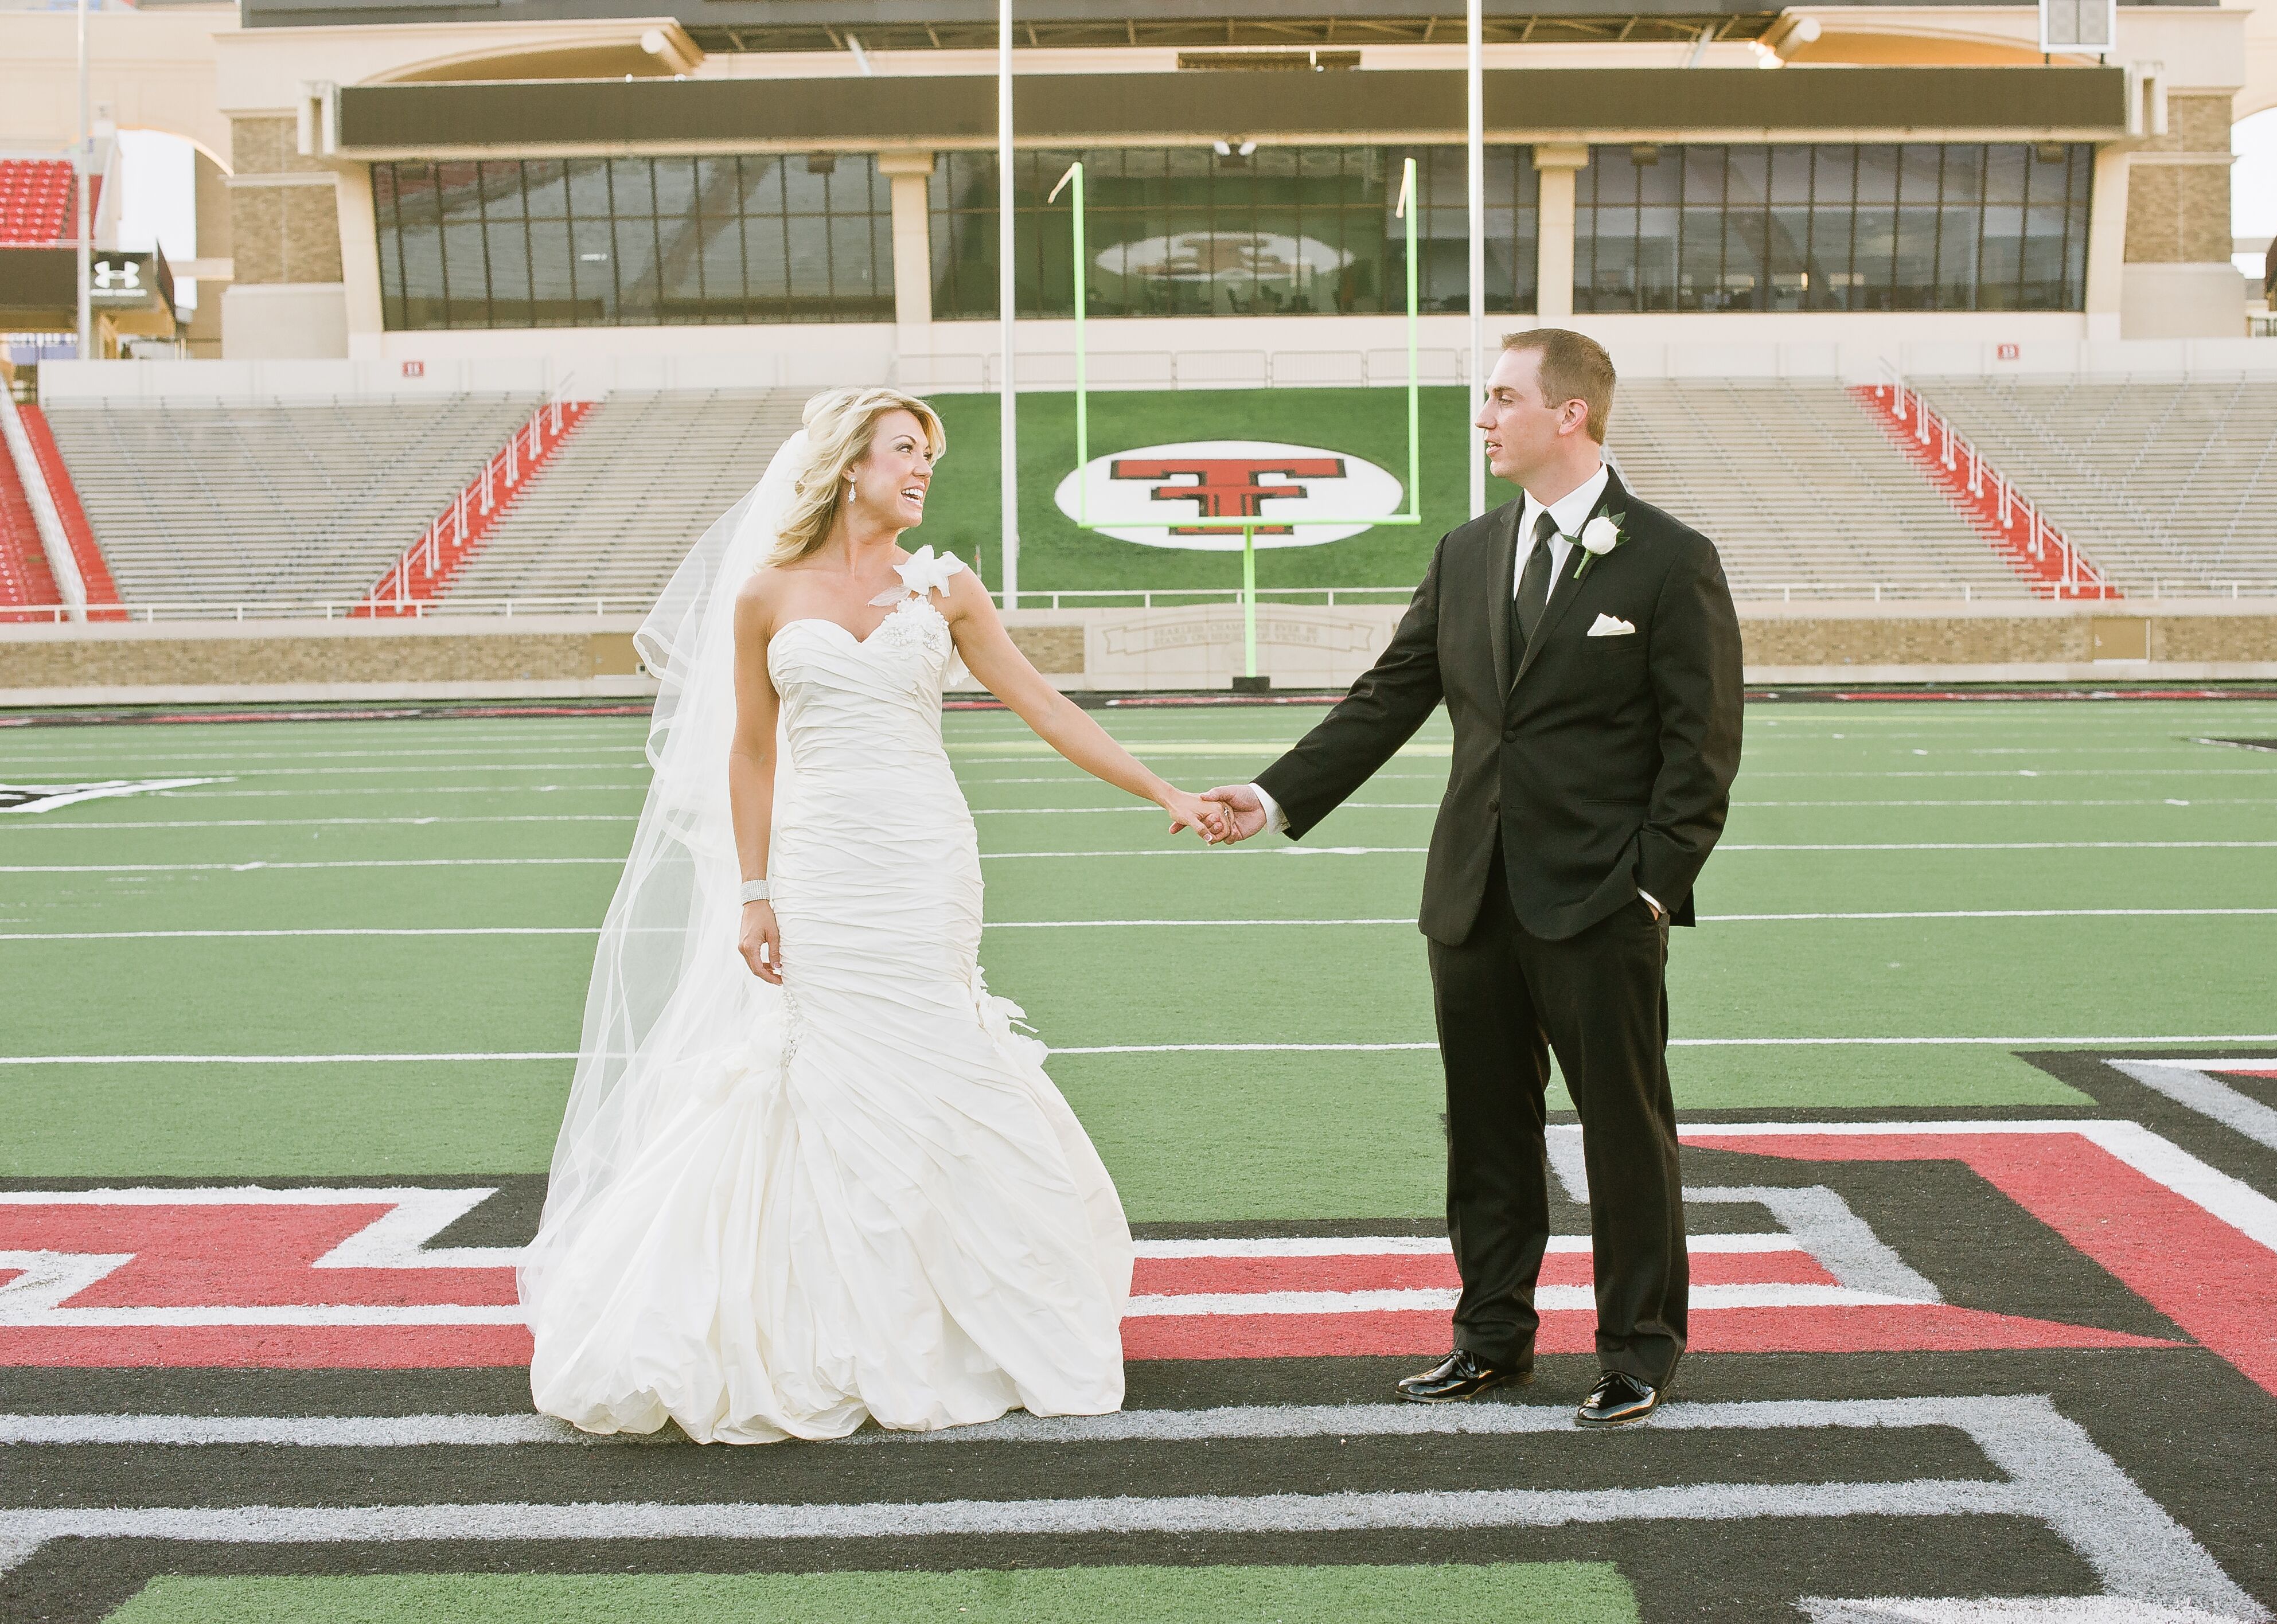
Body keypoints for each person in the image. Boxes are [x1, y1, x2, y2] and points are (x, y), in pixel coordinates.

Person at [521, 387, 1231, 1443]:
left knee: (939, 1050)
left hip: (924, 858)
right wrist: (755, 890)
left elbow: (1043, 704)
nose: (922, 471)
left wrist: (1166, 791)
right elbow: (751, 751)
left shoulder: (945, 588)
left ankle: (975, 1310)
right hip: (819, 868)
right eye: (905, 451)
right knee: (822, 1067)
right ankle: (820, 1322)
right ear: (849, 464)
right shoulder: (765, 594)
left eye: (928, 458)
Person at [1203, 329, 1743, 1427]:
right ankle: (1491, 1338)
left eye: (1502, 398)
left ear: (1571, 414)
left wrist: (1652, 885)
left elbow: (1703, 746)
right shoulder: (1466, 551)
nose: (1484, 417)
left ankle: (1640, 1349)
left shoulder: (1668, 557)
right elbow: (1386, 698)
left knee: (1624, 1132)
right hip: (1472, 901)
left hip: (1599, 903)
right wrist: (1268, 798)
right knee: (1486, 1130)